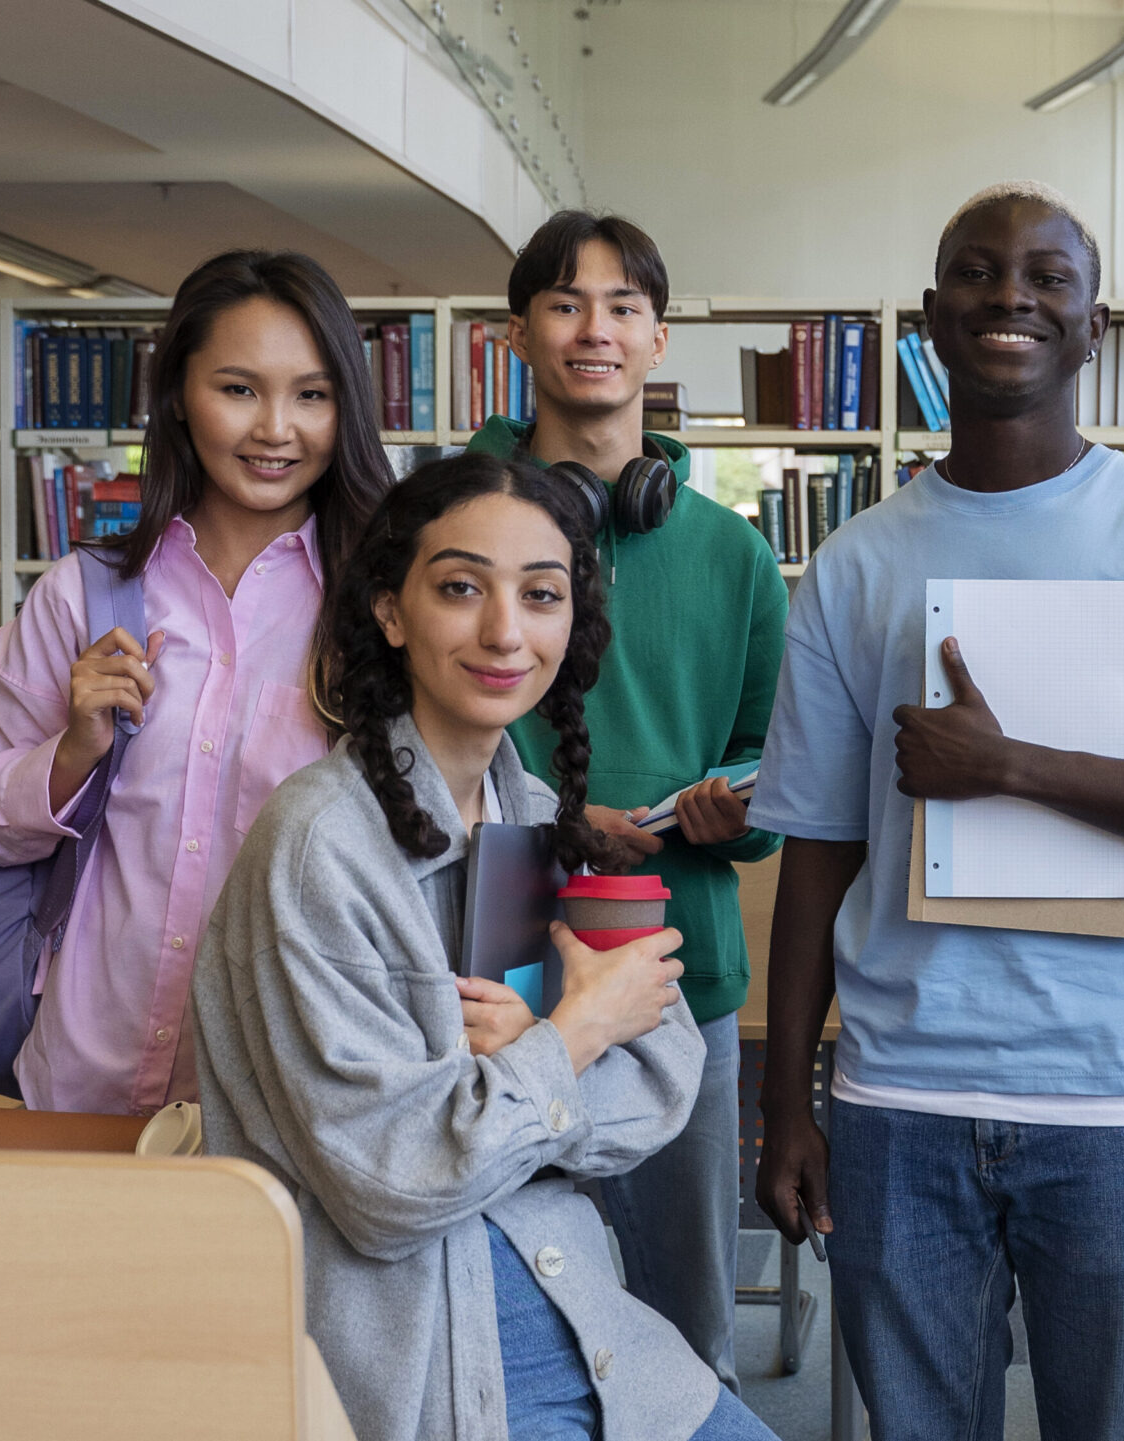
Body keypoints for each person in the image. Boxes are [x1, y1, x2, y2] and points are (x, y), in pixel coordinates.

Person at [749, 181, 1124, 1441]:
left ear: (1094, 322)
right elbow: (819, 848)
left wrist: (1011, 766)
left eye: (1046, 276)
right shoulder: (857, 564)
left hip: (1123, 1098)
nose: (1010, 294)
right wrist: (788, 1100)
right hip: (901, 1095)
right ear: (933, 318)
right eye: (976, 272)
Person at [192, 451, 781, 1441]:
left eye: (540, 595)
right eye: (461, 588)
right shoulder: (318, 845)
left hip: (582, 1309)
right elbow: (391, 1184)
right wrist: (575, 1033)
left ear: (570, 625)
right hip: (426, 1356)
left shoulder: (534, 813)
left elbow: (666, 1076)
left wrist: (532, 1063)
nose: (506, 630)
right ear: (391, 611)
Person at [465, 210, 785, 1392]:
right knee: (497, 1324)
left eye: (620, 307)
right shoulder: (458, 526)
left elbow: (776, 764)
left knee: (683, 1332)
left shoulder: (730, 555)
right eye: (562, 303)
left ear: (657, 337)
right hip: (490, 979)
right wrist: (552, 815)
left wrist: (732, 808)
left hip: (671, 980)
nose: (592, 329)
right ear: (516, 333)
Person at [0, 249, 391, 1116]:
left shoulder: (387, 609)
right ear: (178, 399)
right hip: (84, 1069)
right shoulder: (83, 596)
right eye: (238, 389)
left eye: (311, 394)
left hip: (291, 1090)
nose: (276, 428)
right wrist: (75, 749)